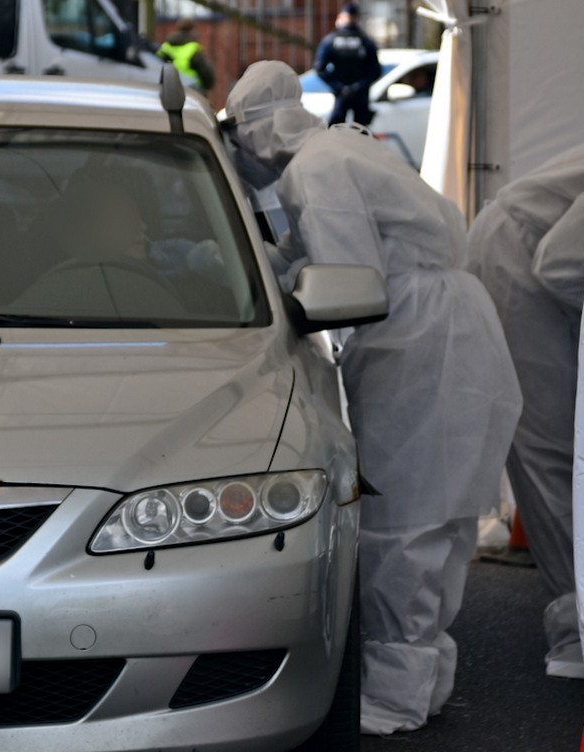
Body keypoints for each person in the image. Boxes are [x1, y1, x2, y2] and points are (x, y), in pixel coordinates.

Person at [224, 61, 523, 735]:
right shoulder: (343, 148)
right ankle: (420, 677)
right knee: (439, 513)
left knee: (405, 516)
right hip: (450, 323)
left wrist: (275, 281)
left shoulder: (315, 172)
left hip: (414, 335)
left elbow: (351, 285)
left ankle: (393, 695)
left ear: (255, 132)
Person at [464, 144, 584, 680]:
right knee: (550, 451)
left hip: (530, 261)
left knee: (563, 449)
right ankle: (579, 631)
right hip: (517, 263)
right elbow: (562, 264)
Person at [315, 3, 382, 126]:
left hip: (342, 94)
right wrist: (358, 86)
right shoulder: (365, 41)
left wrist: (339, 87)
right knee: (361, 133)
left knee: (336, 130)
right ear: (357, 19)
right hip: (360, 96)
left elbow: (320, 69)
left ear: (340, 18)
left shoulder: (330, 40)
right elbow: (375, 71)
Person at [156, 19, 216, 91]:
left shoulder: (165, 46)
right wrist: (208, 85)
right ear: (192, 30)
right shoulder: (193, 49)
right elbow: (205, 72)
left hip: (168, 88)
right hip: (191, 88)